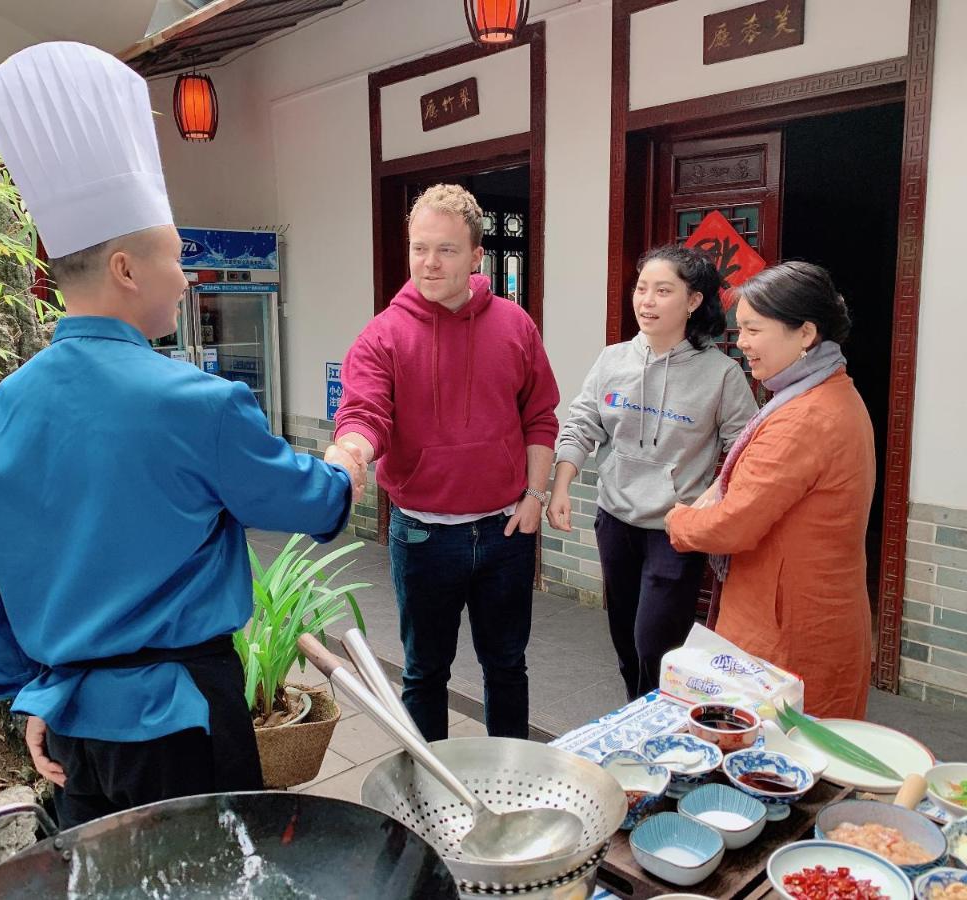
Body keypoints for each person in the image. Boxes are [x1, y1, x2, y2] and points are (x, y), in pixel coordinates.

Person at [0, 42, 365, 829]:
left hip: (68, 722)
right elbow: (313, 503)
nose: (189, 277)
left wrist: (25, 691)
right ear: (127, 268)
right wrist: (349, 454)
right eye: (177, 258)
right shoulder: (198, 402)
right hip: (182, 721)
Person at [332, 184, 559, 742]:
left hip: (506, 530)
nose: (429, 263)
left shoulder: (514, 325)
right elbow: (365, 411)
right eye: (419, 248)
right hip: (423, 538)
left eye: (446, 250)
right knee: (424, 672)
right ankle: (429, 786)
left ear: (477, 255)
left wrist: (534, 497)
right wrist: (351, 450)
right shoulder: (384, 334)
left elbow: (541, 416)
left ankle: (514, 779)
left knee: (506, 667)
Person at [665, 261, 875, 719]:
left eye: (753, 330)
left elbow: (732, 525)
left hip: (787, 627)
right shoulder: (828, 393)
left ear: (805, 333)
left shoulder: (805, 417)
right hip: (808, 610)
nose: (741, 344)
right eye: (740, 329)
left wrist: (678, 520)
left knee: (781, 760)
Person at [548, 246, 758, 700]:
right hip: (614, 519)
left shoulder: (722, 375)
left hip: (675, 529)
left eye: (663, 291)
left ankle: (656, 716)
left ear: (693, 301)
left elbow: (746, 450)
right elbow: (583, 423)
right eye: (642, 289)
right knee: (624, 637)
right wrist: (561, 485)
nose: (646, 301)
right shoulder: (612, 360)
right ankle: (638, 713)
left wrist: (708, 502)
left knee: (655, 641)